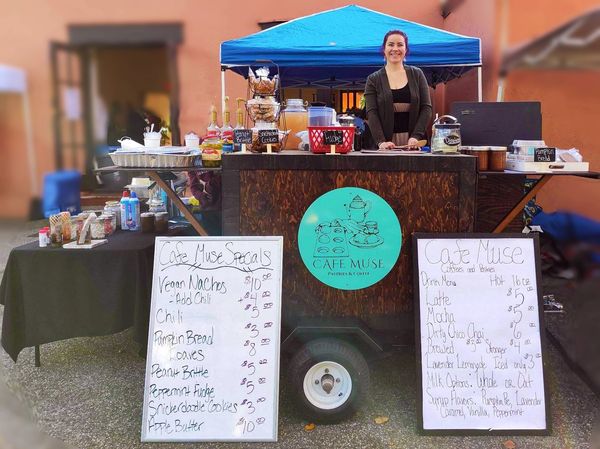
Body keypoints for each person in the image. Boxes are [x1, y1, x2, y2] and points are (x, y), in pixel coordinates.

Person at [364, 30, 432, 149]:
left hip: (414, 145)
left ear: (406, 50)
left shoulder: (417, 74)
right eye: (391, 44)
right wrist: (381, 142)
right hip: (385, 146)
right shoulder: (373, 79)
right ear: (384, 49)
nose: (395, 48)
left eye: (400, 45)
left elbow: (426, 108)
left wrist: (416, 136)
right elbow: (372, 113)